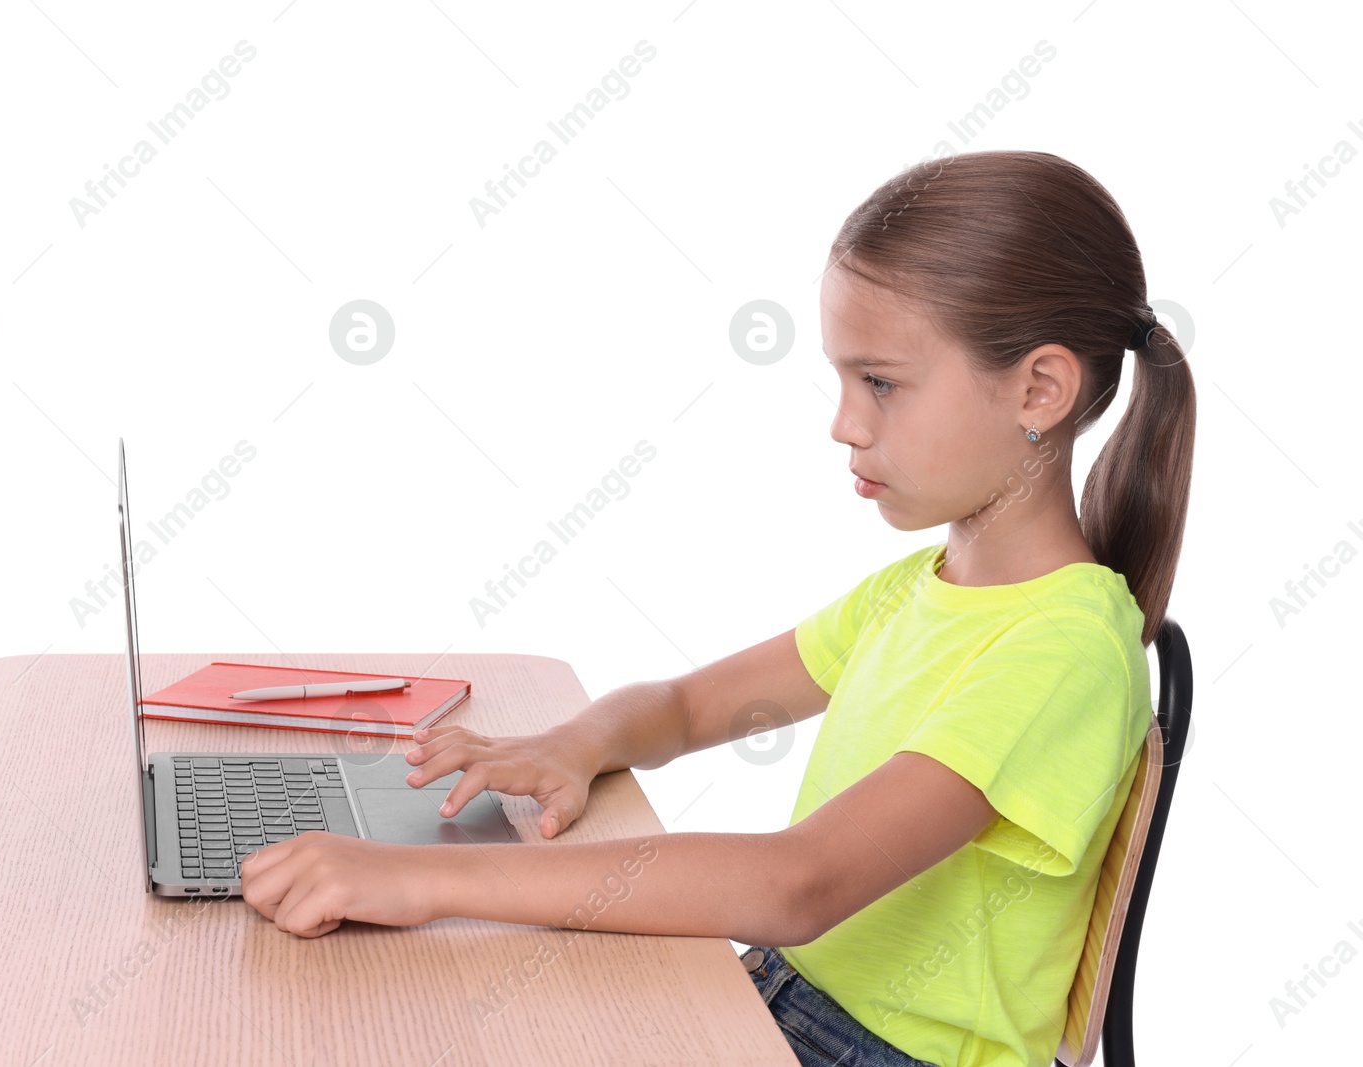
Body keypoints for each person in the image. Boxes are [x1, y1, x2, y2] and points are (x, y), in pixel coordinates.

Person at [240, 149, 1196, 1067]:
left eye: (881, 383)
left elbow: (799, 883)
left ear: (1039, 387)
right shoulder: (915, 590)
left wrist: (419, 878)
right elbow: (691, 706)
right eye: (841, 379)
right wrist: (577, 741)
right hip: (781, 1000)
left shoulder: (1063, 648)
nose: (843, 422)